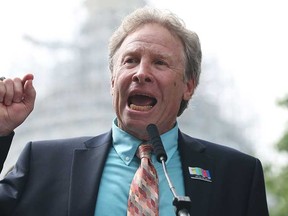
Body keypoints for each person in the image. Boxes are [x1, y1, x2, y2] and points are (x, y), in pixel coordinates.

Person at [0, 7, 269, 216]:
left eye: (160, 63)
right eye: (130, 61)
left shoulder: (237, 176)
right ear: (113, 80)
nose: (141, 73)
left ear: (188, 85)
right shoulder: (44, 164)